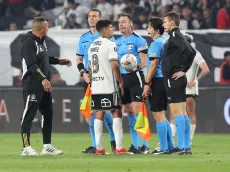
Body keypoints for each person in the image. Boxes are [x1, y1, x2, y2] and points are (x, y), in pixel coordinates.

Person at [20, 16, 72, 156]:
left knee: (48, 114)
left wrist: (59, 61)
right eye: (47, 27)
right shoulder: (28, 43)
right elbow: (31, 65)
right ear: (42, 28)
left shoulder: (41, 42)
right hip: (32, 85)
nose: (48, 29)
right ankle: (26, 147)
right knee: (28, 116)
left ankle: (47, 146)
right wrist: (43, 78)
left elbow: (44, 58)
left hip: (44, 86)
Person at [88, 19, 130, 155]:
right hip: (108, 84)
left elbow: (90, 67)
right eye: (111, 28)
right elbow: (114, 65)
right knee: (117, 111)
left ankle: (99, 148)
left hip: (97, 84)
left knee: (99, 113)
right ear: (105, 30)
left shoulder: (92, 45)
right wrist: (120, 80)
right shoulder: (111, 44)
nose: (113, 30)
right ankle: (119, 147)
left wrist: (92, 82)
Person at [76, 9, 115, 154]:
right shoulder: (83, 38)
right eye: (89, 17)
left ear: (100, 19)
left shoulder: (108, 37)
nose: (91, 19)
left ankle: (113, 140)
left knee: (106, 109)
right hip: (89, 79)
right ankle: (95, 144)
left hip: (105, 78)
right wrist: (84, 73)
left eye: (94, 16)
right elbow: (79, 59)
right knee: (93, 111)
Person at [162, 11, 196, 155]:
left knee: (177, 113)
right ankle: (186, 146)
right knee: (182, 113)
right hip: (178, 79)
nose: (163, 24)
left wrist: (183, 69)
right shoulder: (175, 36)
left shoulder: (175, 35)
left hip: (173, 78)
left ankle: (182, 147)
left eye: (165, 22)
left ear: (171, 23)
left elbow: (190, 51)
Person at [116, 13, 149, 154]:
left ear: (130, 24)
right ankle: (135, 145)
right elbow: (116, 63)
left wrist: (137, 67)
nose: (121, 24)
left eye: (124, 22)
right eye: (119, 22)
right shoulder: (116, 42)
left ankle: (145, 145)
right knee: (129, 111)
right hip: (124, 80)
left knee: (137, 110)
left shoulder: (139, 40)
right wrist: (119, 81)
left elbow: (144, 61)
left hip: (136, 77)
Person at [169, 34, 210, 146]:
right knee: (187, 113)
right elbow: (205, 70)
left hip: (184, 87)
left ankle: (174, 140)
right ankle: (185, 140)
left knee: (178, 113)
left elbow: (205, 69)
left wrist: (195, 80)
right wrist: (195, 80)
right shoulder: (194, 53)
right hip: (185, 87)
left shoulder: (186, 54)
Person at [142, 17, 174, 154]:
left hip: (157, 81)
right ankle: (170, 146)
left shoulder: (155, 44)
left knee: (158, 115)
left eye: (149, 27)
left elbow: (154, 65)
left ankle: (163, 147)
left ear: (156, 30)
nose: (147, 29)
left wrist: (146, 83)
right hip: (165, 81)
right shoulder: (164, 41)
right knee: (162, 115)